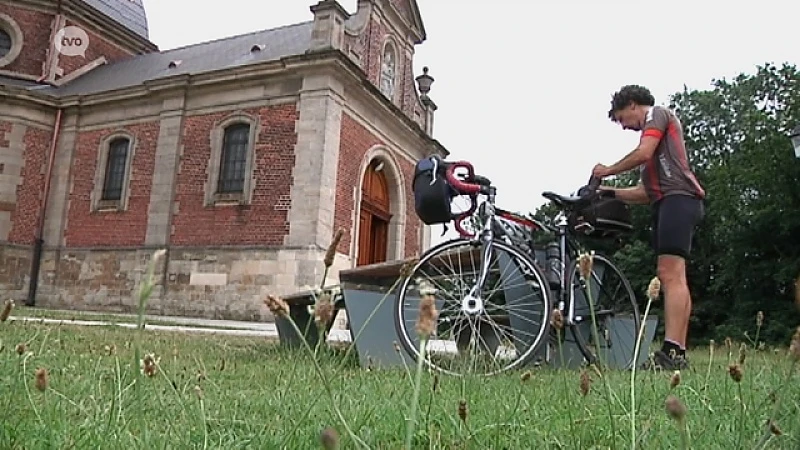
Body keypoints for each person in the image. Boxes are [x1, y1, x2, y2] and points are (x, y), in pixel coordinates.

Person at [592, 84, 705, 370]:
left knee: (670, 274)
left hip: (678, 200)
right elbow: (646, 193)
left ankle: (671, 351)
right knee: (674, 275)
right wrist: (611, 192)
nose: (623, 127)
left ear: (632, 105)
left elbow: (642, 154)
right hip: (670, 201)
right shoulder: (655, 148)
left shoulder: (657, 115)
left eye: (621, 119)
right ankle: (676, 350)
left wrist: (607, 170)